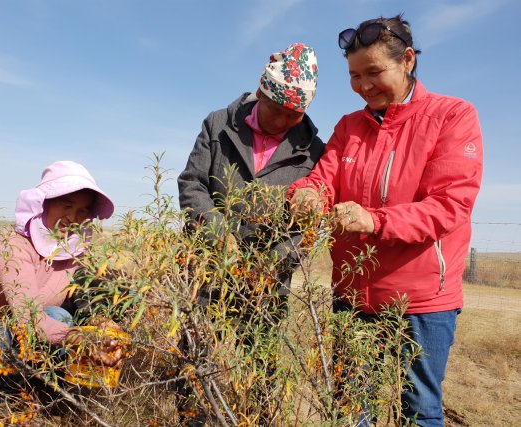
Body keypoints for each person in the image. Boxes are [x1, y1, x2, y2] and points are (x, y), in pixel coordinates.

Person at [288, 15, 483, 427]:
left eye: (374, 72)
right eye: (355, 76)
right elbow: (324, 180)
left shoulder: (453, 116)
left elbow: (449, 206)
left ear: (408, 60)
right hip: (353, 296)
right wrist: (306, 193)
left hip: (423, 303)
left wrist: (372, 221)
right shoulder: (349, 126)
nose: (363, 86)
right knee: (350, 410)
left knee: (420, 410)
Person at [177, 43, 325, 424]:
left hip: (267, 281)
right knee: (196, 350)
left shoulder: (313, 151)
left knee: (260, 359)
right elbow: (192, 185)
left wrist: (272, 262)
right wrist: (218, 233)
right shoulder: (218, 123)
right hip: (208, 266)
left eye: (295, 114)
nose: (284, 121)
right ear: (261, 93)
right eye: (278, 110)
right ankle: (191, 416)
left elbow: (307, 226)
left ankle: (256, 418)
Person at [0, 160, 125, 377]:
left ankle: (40, 387)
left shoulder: (76, 255)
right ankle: (16, 387)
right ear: (45, 203)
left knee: (62, 317)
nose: (72, 218)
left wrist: (102, 325)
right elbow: (29, 321)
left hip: (23, 341)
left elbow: (84, 299)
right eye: (67, 205)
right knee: (49, 320)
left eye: (82, 211)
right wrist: (82, 339)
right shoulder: (11, 245)